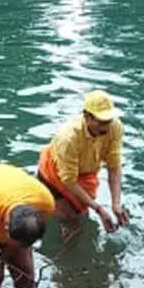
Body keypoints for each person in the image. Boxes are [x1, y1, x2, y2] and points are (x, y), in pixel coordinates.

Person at [37, 90, 130, 234]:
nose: (105, 128)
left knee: (81, 215)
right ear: (87, 117)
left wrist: (116, 204)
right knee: (70, 219)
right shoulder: (69, 138)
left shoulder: (115, 127)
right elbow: (68, 180)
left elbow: (114, 166)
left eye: (108, 121)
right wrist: (98, 208)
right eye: (101, 122)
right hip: (55, 174)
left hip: (84, 173)